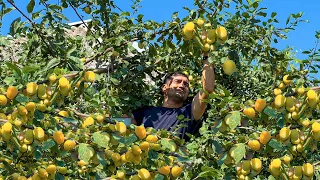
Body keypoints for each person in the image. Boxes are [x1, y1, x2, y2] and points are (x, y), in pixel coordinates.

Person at [131, 52, 215, 141]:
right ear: (164, 88)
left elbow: (208, 88)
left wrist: (206, 56)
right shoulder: (145, 112)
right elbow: (121, 124)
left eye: (186, 84)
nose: (182, 86)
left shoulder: (189, 113)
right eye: (177, 81)